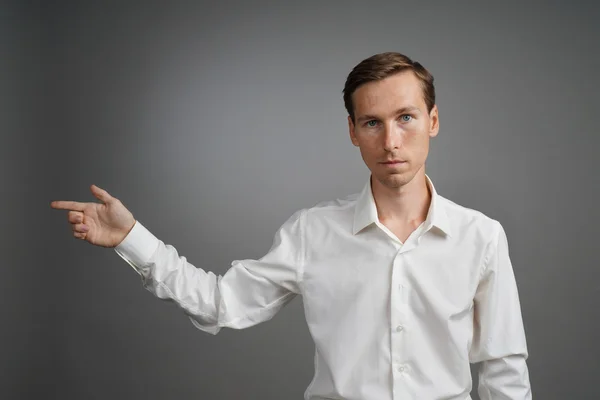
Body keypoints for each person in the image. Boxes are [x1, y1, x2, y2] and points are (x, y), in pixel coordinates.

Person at [51, 52, 532, 400]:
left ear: (433, 120)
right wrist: (132, 238)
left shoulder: (481, 237)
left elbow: (502, 372)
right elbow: (222, 304)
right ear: (352, 131)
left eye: (405, 118)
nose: (391, 141)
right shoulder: (312, 233)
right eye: (372, 123)